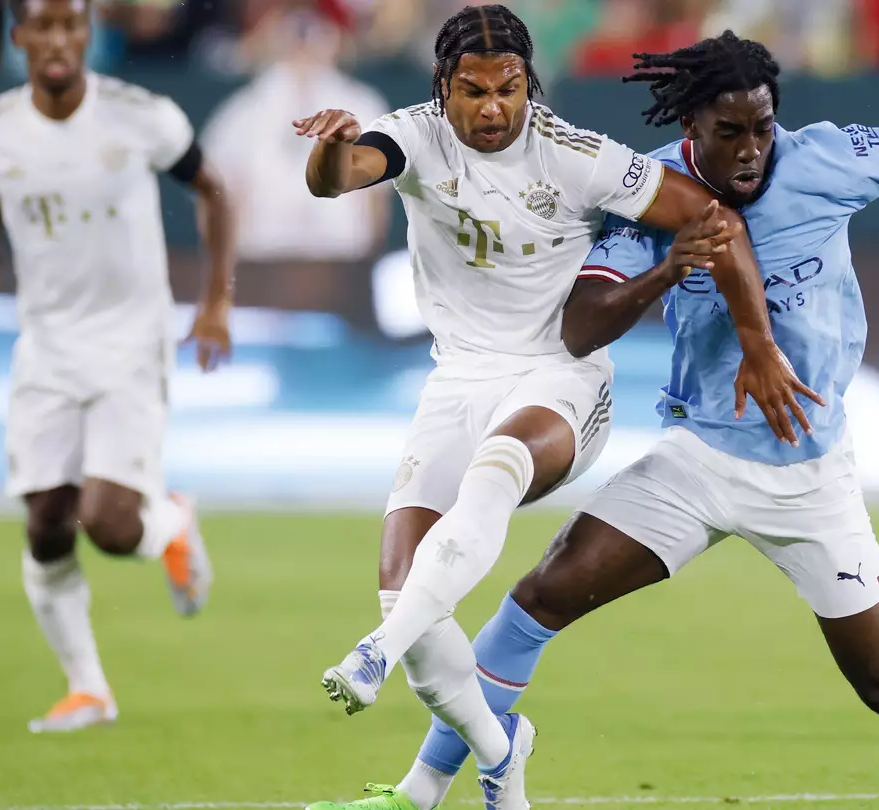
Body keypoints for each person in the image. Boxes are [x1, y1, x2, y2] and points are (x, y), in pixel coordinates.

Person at [306, 22, 879, 810]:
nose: (754, 149)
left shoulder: (829, 157)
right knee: (535, 602)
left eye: (763, 126)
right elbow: (580, 325)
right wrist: (666, 266)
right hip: (696, 463)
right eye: (731, 133)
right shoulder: (651, 193)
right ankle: (422, 792)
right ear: (694, 130)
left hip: (809, 474)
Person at [292, 5, 816, 810]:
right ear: (444, 89)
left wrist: (758, 344)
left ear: (529, 84)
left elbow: (712, 218)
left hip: (561, 379)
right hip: (457, 382)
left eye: (508, 89)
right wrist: (330, 149)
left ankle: (374, 655)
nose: (493, 108)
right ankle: (502, 752)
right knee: (408, 595)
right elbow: (340, 177)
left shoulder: (576, 156)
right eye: (473, 91)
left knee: (493, 477)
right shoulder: (415, 134)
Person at [0, 0, 231, 733]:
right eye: (43, 26)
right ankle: (88, 688)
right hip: (46, 344)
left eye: (71, 25)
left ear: (88, 35)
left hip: (130, 339)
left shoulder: (139, 115)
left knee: (110, 526)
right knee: (46, 525)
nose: (57, 40)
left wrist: (216, 302)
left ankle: (170, 519)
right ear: (18, 36)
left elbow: (216, 191)